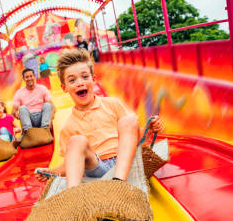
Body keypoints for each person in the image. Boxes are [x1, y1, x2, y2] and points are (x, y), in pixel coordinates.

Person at [35, 49, 162, 189]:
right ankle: (73, 195)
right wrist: (52, 172)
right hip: (97, 167)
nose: (80, 83)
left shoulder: (113, 104)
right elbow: (69, 165)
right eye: (72, 80)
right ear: (64, 87)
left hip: (125, 160)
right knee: (76, 141)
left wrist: (148, 130)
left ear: (93, 79)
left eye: (85, 77)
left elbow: (133, 137)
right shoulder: (68, 126)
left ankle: (119, 183)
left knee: (129, 120)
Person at [12, 68, 54, 132]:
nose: (29, 78)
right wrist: (16, 114)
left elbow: (52, 106)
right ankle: (29, 132)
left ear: (34, 77)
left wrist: (52, 114)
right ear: (23, 79)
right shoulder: (19, 92)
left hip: (42, 117)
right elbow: (13, 111)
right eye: (26, 77)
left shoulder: (42, 88)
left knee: (48, 105)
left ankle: (45, 129)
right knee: (22, 108)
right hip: (28, 119)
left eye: (31, 76)